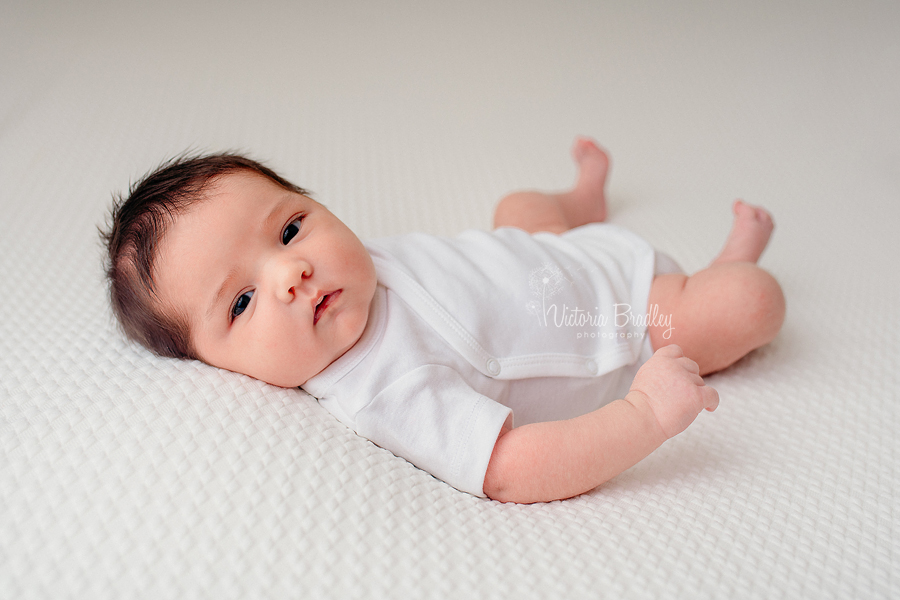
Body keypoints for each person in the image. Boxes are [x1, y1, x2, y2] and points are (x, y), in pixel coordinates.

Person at [102, 137, 785, 504]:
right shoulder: (384, 388)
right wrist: (646, 416)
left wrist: (558, 238)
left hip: (548, 251)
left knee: (517, 204)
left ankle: (580, 199)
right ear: (220, 366)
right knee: (749, 303)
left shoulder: (351, 266)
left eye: (288, 228)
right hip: (631, 311)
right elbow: (512, 469)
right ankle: (730, 259)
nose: (290, 273)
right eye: (241, 303)